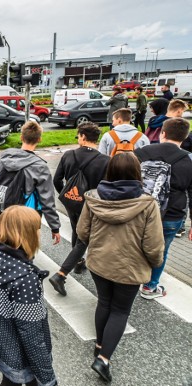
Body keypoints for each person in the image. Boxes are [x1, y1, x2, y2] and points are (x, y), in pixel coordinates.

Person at [77, 152, 164, 383]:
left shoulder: (94, 197)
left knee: (104, 302)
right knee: (120, 310)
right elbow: (153, 244)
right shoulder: (147, 203)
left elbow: (82, 232)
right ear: (137, 173)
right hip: (130, 267)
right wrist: (155, 264)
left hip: (98, 262)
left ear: (110, 170)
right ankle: (103, 359)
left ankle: (99, 345)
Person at [0, 206, 57, 386]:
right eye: (38, 229)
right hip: (22, 352)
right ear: (27, 235)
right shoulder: (25, 279)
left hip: (0, 340)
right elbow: (32, 335)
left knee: (9, 380)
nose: (39, 234)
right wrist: (48, 379)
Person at [49, 123, 110, 296]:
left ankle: (78, 262)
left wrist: (67, 195)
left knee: (77, 228)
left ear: (83, 136)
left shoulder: (68, 155)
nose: (78, 138)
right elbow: (106, 187)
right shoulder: (105, 160)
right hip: (90, 205)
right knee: (84, 237)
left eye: (78, 136)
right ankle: (61, 274)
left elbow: (56, 180)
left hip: (71, 202)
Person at [134, 118, 192, 299]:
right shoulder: (189, 160)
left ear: (163, 133)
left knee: (135, 244)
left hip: (139, 210)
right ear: (185, 136)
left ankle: (129, 279)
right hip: (172, 215)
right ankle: (150, 287)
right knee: (161, 250)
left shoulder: (140, 153)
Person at [0, 121, 61, 244]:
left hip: (2, 214)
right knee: (24, 251)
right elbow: (47, 200)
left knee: (5, 247)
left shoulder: (4, 159)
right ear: (39, 140)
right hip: (26, 217)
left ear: (21, 137)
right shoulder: (39, 166)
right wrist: (55, 227)